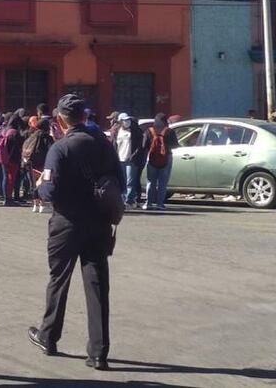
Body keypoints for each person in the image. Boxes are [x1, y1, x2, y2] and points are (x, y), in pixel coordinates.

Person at [28, 94, 122, 371]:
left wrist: (39, 185)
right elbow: (120, 180)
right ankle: (99, 351)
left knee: (59, 279)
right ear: (85, 117)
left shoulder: (60, 148)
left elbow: (49, 190)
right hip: (99, 221)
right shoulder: (105, 145)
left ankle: (49, 335)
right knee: (97, 284)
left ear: (60, 119)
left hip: (67, 222)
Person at [142, 113, 176, 211]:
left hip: (152, 158)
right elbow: (174, 145)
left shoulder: (149, 131)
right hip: (167, 158)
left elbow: (144, 145)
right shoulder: (169, 131)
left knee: (150, 182)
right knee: (162, 183)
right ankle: (160, 204)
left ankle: (148, 203)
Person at [114, 113, 145, 209]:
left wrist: (133, 156)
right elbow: (114, 145)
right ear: (120, 121)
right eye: (124, 120)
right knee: (122, 181)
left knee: (130, 182)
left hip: (131, 160)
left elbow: (140, 146)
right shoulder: (117, 131)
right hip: (120, 159)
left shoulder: (135, 131)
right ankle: (122, 200)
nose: (126, 122)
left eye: (128, 120)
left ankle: (129, 201)